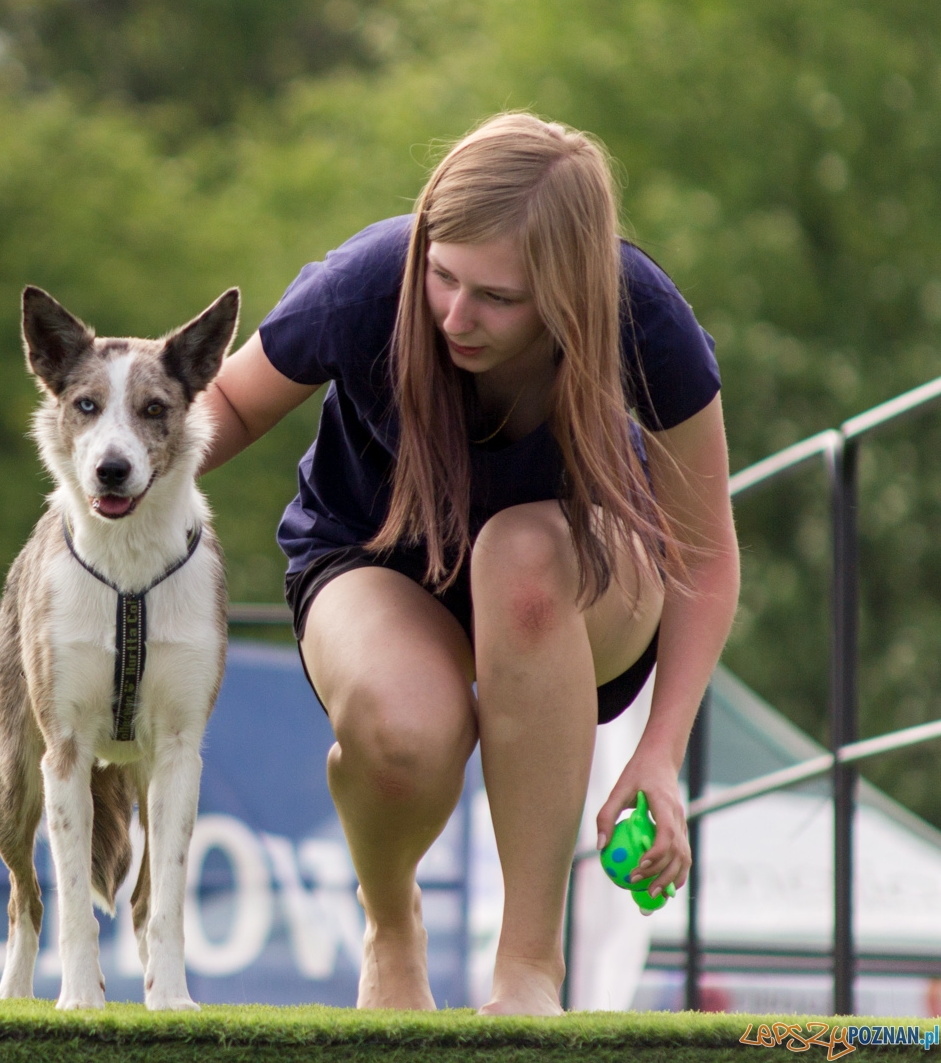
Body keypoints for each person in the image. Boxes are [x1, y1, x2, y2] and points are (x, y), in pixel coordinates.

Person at [200, 113, 739, 1015]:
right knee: (404, 731)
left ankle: (529, 967)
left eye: (497, 297)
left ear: (569, 290)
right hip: (373, 558)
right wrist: (107, 502)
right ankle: (391, 924)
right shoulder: (368, 282)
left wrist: (658, 754)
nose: (455, 315)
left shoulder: (644, 319)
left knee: (518, 553)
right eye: (442, 275)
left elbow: (707, 549)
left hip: (576, 578)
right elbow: (226, 406)